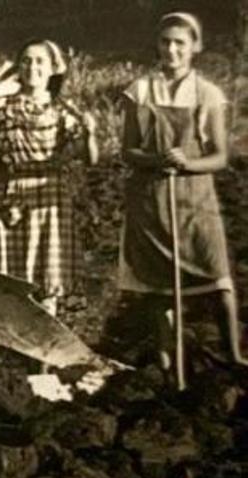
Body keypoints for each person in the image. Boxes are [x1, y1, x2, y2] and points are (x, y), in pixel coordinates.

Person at [117, 12, 246, 367]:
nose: (171, 50)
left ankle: (234, 356)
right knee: (159, 289)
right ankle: (165, 362)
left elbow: (219, 156)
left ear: (195, 47)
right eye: (165, 42)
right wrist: (157, 159)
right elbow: (127, 151)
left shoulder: (208, 94)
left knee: (219, 281)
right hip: (151, 198)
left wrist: (187, 162)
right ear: (157, 45)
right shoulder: (139, 91)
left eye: (180, 43)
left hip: (195, 200)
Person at [0, 39, 98, 316]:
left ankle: (45, 335)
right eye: (27, 61)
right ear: (18, 67)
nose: (33, 67)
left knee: (48, 265)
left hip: (49, 194)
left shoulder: (64, 112)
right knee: (10, 265)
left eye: (40, 61)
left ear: (54, 68)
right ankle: (13, 335)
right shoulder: (0, 107)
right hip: (11, 191)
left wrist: (90, 133)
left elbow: (88, 158)